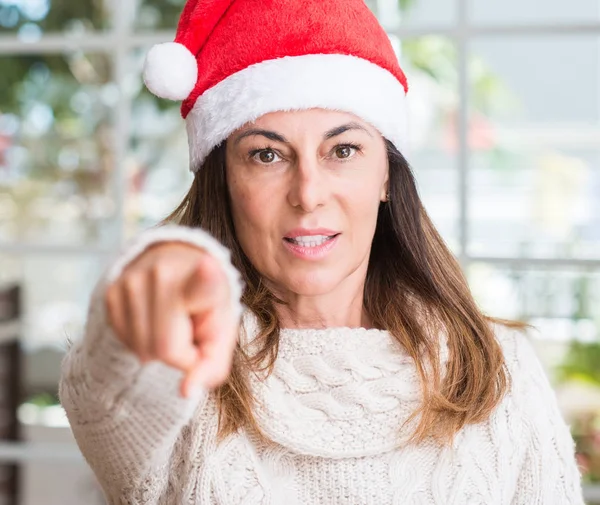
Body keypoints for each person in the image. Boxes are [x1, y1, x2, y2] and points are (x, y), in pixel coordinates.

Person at [59, 0, 585, 503]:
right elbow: (104, 390)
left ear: (386, 172)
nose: (308, 192)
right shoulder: (181, 365)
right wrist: (145, 295)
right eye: (267, 154)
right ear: (225, 182)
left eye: (343, 150)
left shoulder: (499, 367)